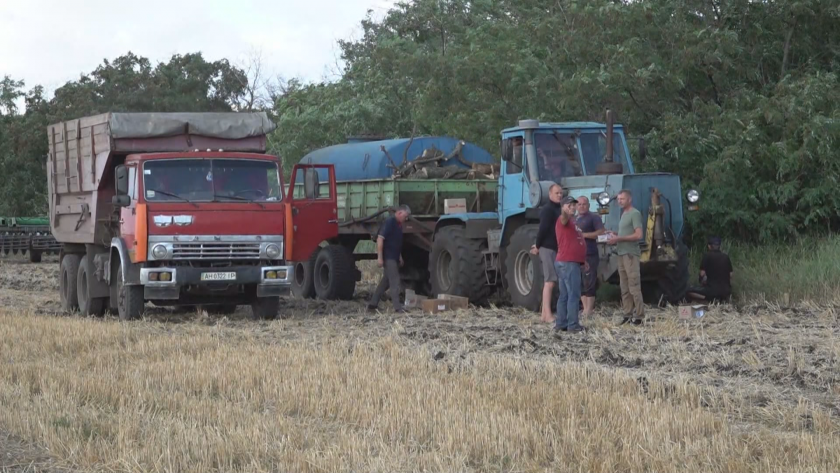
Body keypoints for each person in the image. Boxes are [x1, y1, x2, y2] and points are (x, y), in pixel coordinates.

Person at [607, 189, 645, 325]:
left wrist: (619, 238)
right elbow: (625, 233)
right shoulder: (624, 214)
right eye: (618, 199)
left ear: (629, 199)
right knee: (624, 286)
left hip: (630, 254)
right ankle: (627, 314)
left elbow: (638, 235)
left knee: (634, 285)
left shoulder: (635, 213)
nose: (619, 201)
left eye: (622, 199)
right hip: (621, 253)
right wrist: (615, 233)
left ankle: (639, 315)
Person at [367, 205, 410, 313]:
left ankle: (372, 304)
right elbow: (380, 239)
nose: (406, 219)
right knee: (395, 280)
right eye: (405, 216)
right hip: (389, 257)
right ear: (400, 213)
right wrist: (380, 258)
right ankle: (397, 308)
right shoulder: (390, 222)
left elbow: (396, 242)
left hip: (394, 257)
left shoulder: (399, 225)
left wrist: (400, 257)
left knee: (385, 282)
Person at [554, 196, 587, 333]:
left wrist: (583, 260)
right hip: (568, 262)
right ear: (564, 206)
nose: (573, 207)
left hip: (567, 261)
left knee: (565, 295)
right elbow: (563, 218)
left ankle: (561, 324)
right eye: (570, 205)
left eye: (574, 205)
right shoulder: (564, 220)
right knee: (573, 294)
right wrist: (565, 211)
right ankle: (573, 325)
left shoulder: (573, 223)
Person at [530, 184, 563, 323]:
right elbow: (542, 229)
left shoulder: (558, 209)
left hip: (555, 247)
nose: (559, 195)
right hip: (547, 247)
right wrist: (537, 246)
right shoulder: (548, 210)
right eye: (557, 193)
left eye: (561, 193)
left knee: (551, 281)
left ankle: (544, 313)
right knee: (549, 281)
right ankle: (547, 314)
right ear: (550, 194)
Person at [575, 196, 605, 316]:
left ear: (588, 205)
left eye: (584, 204)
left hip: (590, 253)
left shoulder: (594, 217)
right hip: (577, 255)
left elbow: (601, 232)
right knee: (580, 282)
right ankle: (585, 308)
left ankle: (589, 309)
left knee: (589, 281)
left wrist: (585, 235)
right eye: (579, 204)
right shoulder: (574, 219)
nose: (581, 206)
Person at [687, 236, 733, 303]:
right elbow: (731, 275)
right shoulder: (726, 257)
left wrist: (703, 281)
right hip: (726, 291)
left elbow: (702, 274)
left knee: (688, 291)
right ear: (719, 246)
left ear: (709, 246)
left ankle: (707, 299)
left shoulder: (707, 256)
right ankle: (722, 299)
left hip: (711, 290)